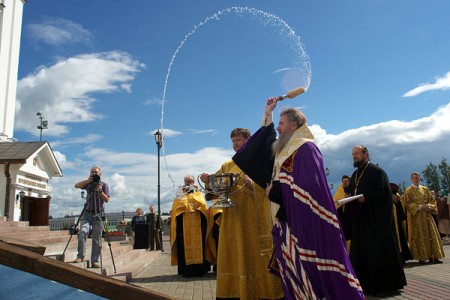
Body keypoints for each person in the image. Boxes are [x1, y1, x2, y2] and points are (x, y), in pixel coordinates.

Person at [232, 99, 364, 299]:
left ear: (293, 125)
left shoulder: (306, 148)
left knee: (312, 269)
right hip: (285, 219)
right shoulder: (284, 150)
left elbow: (309, 187)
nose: (278, 127)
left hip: (303, 222)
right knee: (292, 272)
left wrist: (276, 191)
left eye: (282, 123)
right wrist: (267, 112)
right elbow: (266, 141)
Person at [200, 128, 284, 299]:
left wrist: (253, 184)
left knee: (253, 253)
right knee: (233, 254)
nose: (235, 144)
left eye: (239, 140)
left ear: (248, 140)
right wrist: (208, 181)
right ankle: (233, 292)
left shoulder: (258, 162)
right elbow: (215, 189)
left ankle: (261, 292)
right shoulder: (228, 164)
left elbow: (268, 186)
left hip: (253, 218)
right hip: (232, 218)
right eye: (233, 141)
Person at [344, 146, 406, 295]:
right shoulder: (355, 174)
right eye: (353, 154)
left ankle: (384, 287)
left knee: (377, 254)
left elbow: (384, 196)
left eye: (357, 153)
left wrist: (367, 198)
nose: (354, 156)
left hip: (376, 223)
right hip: (361, 222)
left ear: (366, 154)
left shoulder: (377, 172)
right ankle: (364, 286)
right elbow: (353, 193)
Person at [170, 175, 209, 277]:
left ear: (193, 182)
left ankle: (200, 271)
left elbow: (203, 205)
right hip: (184, 224)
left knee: (199, 246)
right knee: (184, 246)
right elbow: (176, 207)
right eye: (186, 181)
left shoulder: (198, 193)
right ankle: (186, 271)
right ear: (184, 182)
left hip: (197, 224)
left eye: (190, 181)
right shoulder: (180, 193)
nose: (188, 183)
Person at [73, 166, 110, 268]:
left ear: (100, 174)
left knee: (97, 238)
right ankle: (80, 256)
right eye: (92, 172)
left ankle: (95, 260)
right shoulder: (88, 183)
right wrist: (88, 180)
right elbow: (76, 185)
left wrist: (100, 191)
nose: (94, 174)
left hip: (99, 214)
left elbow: (106, 199)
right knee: (83, 232)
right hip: (87, 213)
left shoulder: (104, 185)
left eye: (96, 172)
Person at [403, 172, 445, 264]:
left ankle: (434, 257)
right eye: (414, 178)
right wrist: (419, 207)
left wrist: (429, 206)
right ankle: (421, 257)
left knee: (432, 235)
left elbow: (432, 200)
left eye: (417, 177)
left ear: (420, 178)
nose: (416, 179)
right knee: (419, 236)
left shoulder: (425, 189)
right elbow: (407, 203)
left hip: (427, 216)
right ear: (411, 179)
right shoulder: (408, 191)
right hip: (416, 218)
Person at [390, 183, 412, 263]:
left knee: (401, 241)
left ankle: (402, 257)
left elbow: (402, 215)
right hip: (391, 226)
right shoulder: (386, 202)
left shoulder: (398, 202)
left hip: (398, 226)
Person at [334, 175, 352, 250]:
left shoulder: (352, 190)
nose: (345, 183)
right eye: (343, 181)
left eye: (346, 181)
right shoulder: (339, 191)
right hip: (341, 217)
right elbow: (335, 202)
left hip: (350, 218)